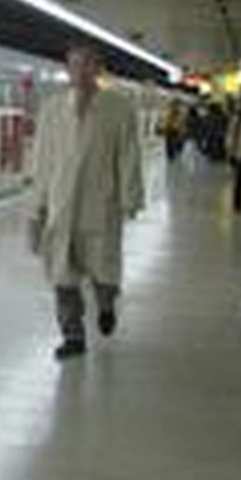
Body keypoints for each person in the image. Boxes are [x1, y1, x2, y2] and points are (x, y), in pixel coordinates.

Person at [30, 45, 144, 361]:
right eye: (74, 65)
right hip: (61, 205)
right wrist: (36, 206)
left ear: (99, 69)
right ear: (68, 68)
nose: (80, 71)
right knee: (62, 276)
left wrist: (130, 197)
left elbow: (128, 155)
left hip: (101, 204)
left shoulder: (119, 108)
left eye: (87, 65)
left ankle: (106, 306)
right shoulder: (52, 109)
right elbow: (42, 161)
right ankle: (73, 335)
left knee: (103, 272)